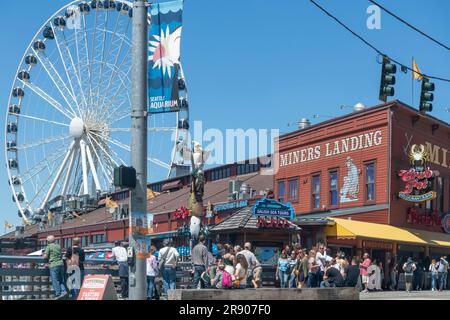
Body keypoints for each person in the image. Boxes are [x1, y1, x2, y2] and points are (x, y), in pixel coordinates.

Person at [43, 235, 68, 299]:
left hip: (54, 265)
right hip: (61, 264)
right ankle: (64, 291)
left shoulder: (48, 247)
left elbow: (45, 256)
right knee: (61, 279)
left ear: (48, 241)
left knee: (55, 280)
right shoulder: (58, 246)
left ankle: (58, 294)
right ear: (54, 240)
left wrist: (44, 254)